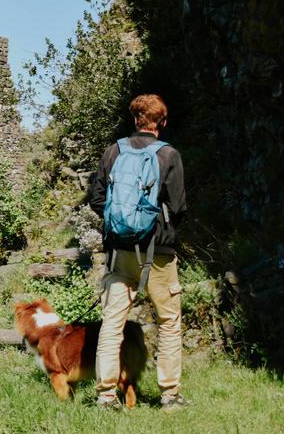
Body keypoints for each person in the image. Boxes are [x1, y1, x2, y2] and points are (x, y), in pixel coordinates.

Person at [89, 94, 188, 410]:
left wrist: (121, 224)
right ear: (163, 122)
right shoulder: (169, 155)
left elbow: (96, 198)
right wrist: (154, 227)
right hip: (157, 253)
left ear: (135, 120)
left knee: (112, 323)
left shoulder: (114, 151)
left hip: (119, 252)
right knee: (168, 322)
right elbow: (178, 207)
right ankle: (169, 395)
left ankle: (106, 396)